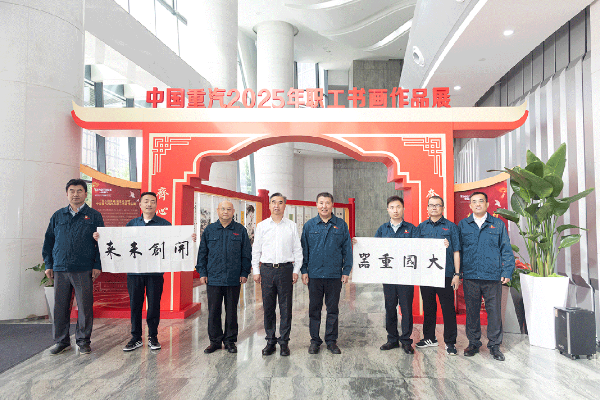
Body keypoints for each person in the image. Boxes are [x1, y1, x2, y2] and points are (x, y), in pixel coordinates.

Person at [93, 192, 196, 352]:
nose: (149, 204)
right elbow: (121, 244)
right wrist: (101, 238)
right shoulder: (132, 224)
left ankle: (153, 336)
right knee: (135, 305)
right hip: (134, 273)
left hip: (155, 273)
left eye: (153, 201)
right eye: (146, 201)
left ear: (156, 205)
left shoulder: (164, 225)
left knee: (154, 305)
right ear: (140, 204)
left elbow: (173, 244)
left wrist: (189, 238)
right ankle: (136, 337)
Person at [42, 179, 104, 355]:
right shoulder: (58, 216)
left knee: (85, 307)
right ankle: (61, 341)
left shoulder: (94, 216)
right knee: (60, 307)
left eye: (79, 191)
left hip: (83, 268)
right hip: (60, 268)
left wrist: (97, 265)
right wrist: (49, 264)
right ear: (67, 193)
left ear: (86, 194)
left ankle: (83, 341)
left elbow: (102, 243)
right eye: (72, 191)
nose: (75, 194)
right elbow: (49, 241)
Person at [458, 191, 515, 361]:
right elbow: (457, 250)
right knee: (472, 312)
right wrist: (457, 272)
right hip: (470, 275)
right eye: (474, 202)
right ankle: (473, 343)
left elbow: (506, 249)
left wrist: (507, 271)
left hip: (492, 276)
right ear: (470, 205)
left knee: (494, 312)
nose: (477, 204)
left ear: (487, 204)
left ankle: (495, 346)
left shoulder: (497, 224)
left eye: (481, 201)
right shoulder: (463, 224)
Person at [196, 200, 252, 354]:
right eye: (222, 209)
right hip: (213, 278)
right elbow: (202, 253)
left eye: (228, 209)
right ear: (217, 210)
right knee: (214, 311)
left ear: (233, 211)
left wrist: (244, 272)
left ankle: (230, 341)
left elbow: (246, 254)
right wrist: (202, 272)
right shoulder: (210, 230)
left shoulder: (240, 230)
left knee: (231, 311)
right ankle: (214, 341)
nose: (225, 212)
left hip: (233, 278)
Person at [301, 192, 352, 355]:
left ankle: (331, 341)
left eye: (327, 203)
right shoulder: (309, 226)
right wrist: (304, 270)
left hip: (334, 275)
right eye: (321, 203)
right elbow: (304, 250)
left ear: (332, 205)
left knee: (333, 310)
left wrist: (346, 270)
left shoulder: (341, 225)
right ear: (316, 205)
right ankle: (315, 341)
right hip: (314, 275)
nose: (324, 206)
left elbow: (347, 249)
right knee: (314, 309)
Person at [252, 193, 302, 356]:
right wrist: (256, 270)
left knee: (286, 307)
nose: (276, 205)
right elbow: (256, 250)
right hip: (267, 270)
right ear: (269, 205)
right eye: (273, 202)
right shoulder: (262, 226)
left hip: (285, 270)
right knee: (268, 307)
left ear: (284, 206)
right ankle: (270, 341)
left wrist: (296, 270)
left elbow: (297, 250)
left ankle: (284, 342)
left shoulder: (291, 226)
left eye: (280, 203)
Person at [415, 195, 461, 356]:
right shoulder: (421, 227)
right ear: (427, 208)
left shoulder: (451, 227)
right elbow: (415, 250)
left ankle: (450, 342)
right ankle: (429, 338)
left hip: (445, 274)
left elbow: (456, 251)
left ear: (443, 208)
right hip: (426, 274)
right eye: (431, 205)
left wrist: (457, 274)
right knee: (428, 307)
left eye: (437, 205)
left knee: (448, 309)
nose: (434, 207)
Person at [373, 196, 418, 354]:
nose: (395, 210)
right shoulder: (382, 229)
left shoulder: (411, 229)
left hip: (406, 276)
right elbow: (374, 249)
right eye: (392, 207)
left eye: (398, 207)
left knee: (406, 309)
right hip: (389, 276)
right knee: (390, 308)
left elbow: (420, 249)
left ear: (403, 208)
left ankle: (406, 341)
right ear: (388, 210)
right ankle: (392, 339)